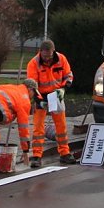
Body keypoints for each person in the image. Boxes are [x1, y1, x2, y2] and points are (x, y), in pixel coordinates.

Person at [26, 39, 77, 167]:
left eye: (49, 56)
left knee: (61, 126)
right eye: (44, 56)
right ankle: (36, 156)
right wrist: (39, 100)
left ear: (53, 51)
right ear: (40, 52)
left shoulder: (61, 59)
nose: (47, 59)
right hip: (41, 96)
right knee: (38, 127)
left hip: (56, 95)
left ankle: (65, 153)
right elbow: (32, 85)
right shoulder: (33, 63)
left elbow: (68, 75)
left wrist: (64, 88)